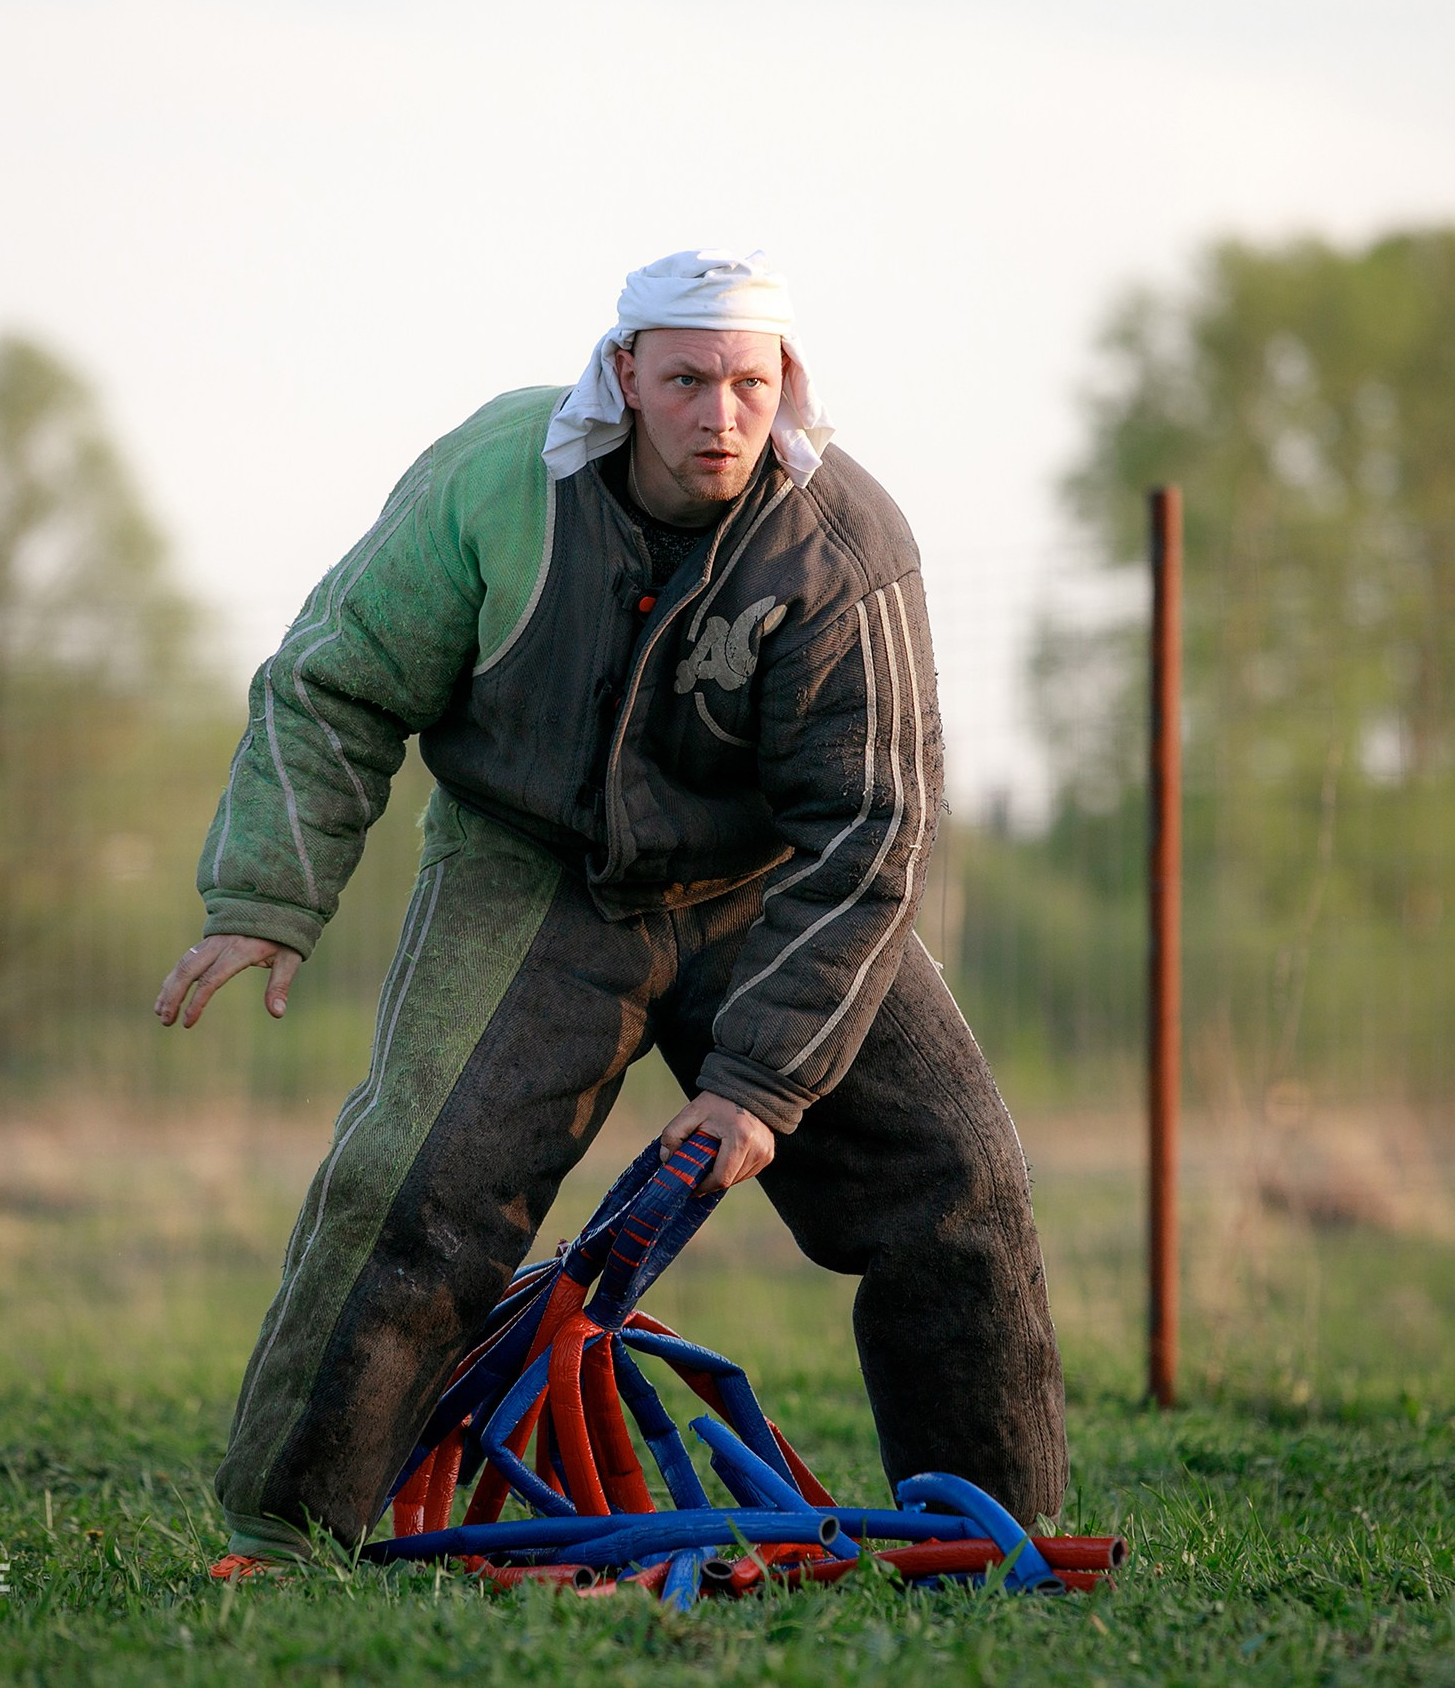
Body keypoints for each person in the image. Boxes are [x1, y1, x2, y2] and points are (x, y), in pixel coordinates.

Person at [155, 250, 1067, 1564]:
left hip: (770, 892)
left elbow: (878, 826)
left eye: (751, 382)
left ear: (787, 384)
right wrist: (266, 893)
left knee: (958, 1188)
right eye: (688, 378)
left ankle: (992, 1539)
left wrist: (763, 1081)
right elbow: (332, 685)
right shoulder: (496, 480)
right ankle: (286, 1539)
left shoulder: (844, 546)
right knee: (414, 1193)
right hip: (526, 872)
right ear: (625, 371)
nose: (721, 413)